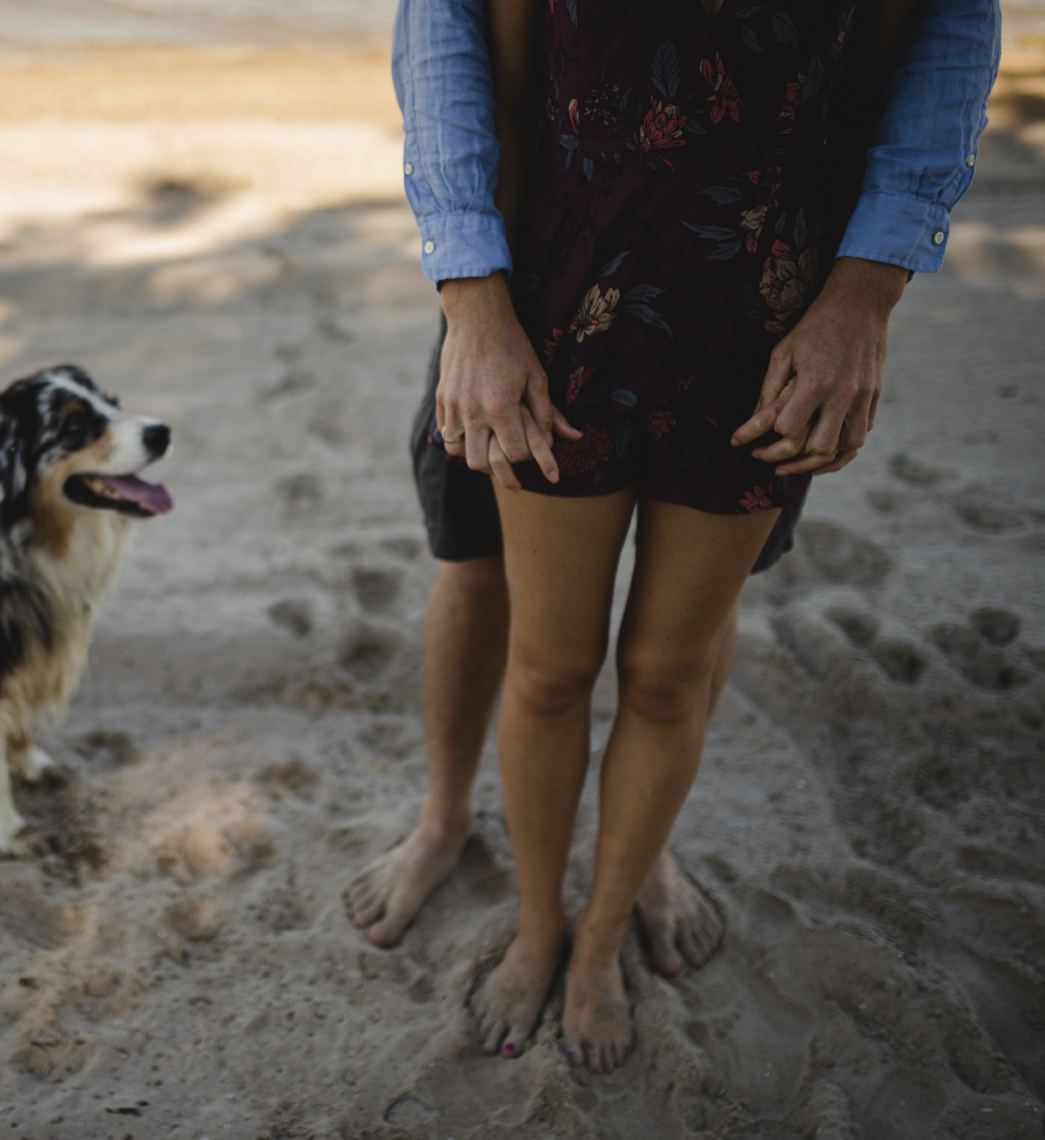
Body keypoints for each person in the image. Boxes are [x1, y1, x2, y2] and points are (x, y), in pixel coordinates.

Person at [345, 0, 1001, 1074]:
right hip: (554, 279)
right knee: (539, 651)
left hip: (771, 306)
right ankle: (515, 898)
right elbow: (444, 31)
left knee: (667, 667)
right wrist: (470, 291)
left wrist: (869, 290)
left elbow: (952, 23)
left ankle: (604, 928)